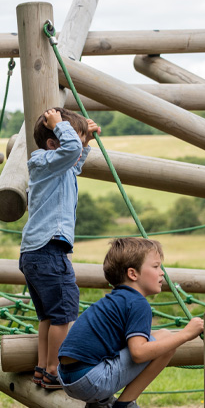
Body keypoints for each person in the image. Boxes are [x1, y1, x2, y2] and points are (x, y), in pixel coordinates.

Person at [57, 238, 204, 408]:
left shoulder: (113, 301)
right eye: (156, 267)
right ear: (133, 274)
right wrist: (186, 334)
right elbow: (139, 353)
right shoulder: (138, 303)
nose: (162, 272)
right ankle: (125, 403)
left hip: (67, 378)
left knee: (160, 336)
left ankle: (100, 403)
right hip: (91, 381)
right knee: (167, 342)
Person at [19, 107, 99, 388]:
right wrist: (59, 124)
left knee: (49, 317)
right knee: (64, 315)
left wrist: (85, 140)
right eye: (70, 139)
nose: (76, 146)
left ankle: (42, 367)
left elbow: (74, 160)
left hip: (36, 253)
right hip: (48, 250)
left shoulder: (57, 165)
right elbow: (69, 152)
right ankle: (55, 370)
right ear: (54, 142)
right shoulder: (44, 160)